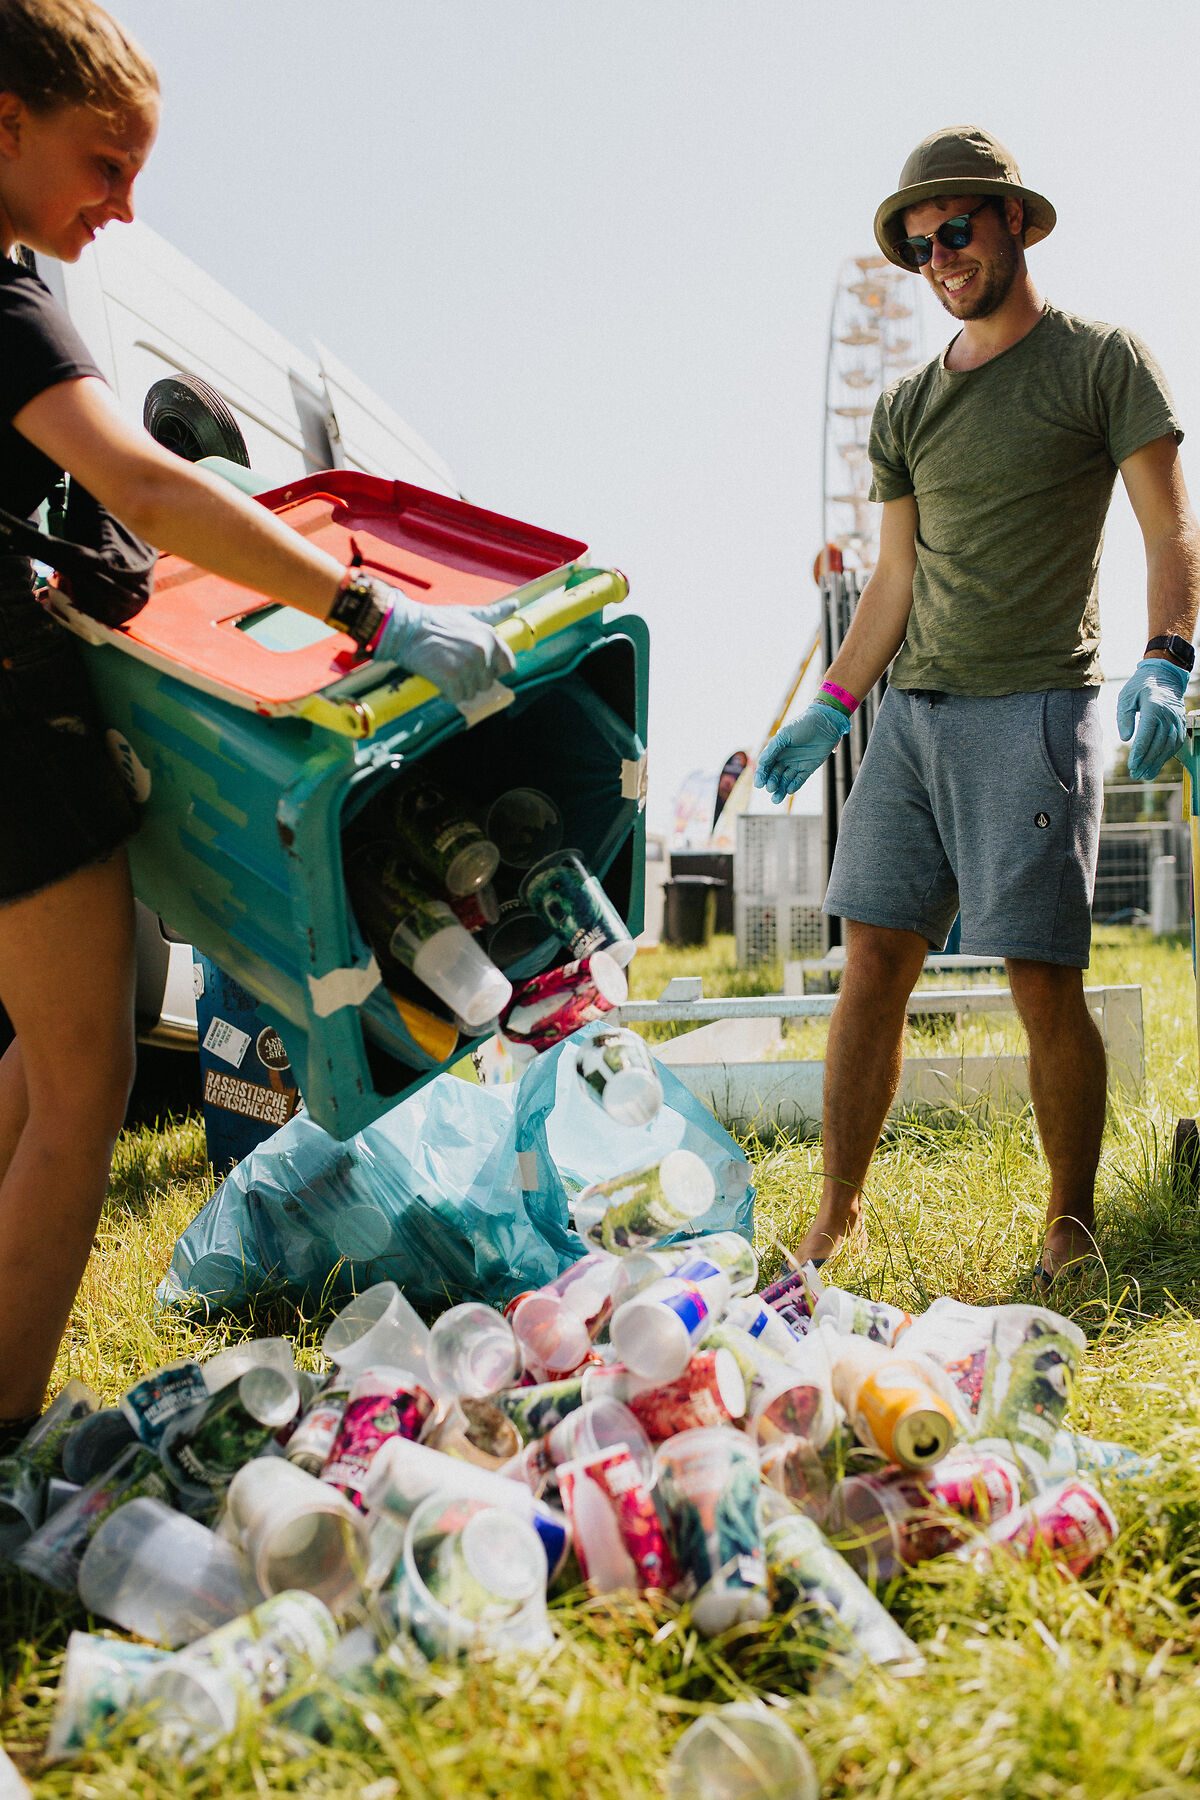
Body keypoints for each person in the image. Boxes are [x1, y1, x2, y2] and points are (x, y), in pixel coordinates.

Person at [0, 0, 519, 1448]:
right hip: (8, 721)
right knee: (90, 1074)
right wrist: (368, 614)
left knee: (53, 1046)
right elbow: (156, 490)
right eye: (105, 164)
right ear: (4, 124)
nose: (123, 205)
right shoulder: (9, 298)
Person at [756, 126, 1200, 1278]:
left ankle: (1069, 1226)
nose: (940, 255)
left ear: (1013, 220)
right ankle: (836, 1212)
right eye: (918, 244)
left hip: (1035, 709)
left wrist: (1169, 656)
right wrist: (836, 700)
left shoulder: (1102, 361)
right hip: (911, 720)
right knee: (872, 964)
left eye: (957, 228)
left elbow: (1170, 526)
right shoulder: (904, 409)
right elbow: (895, 578)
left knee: (1037, 975)